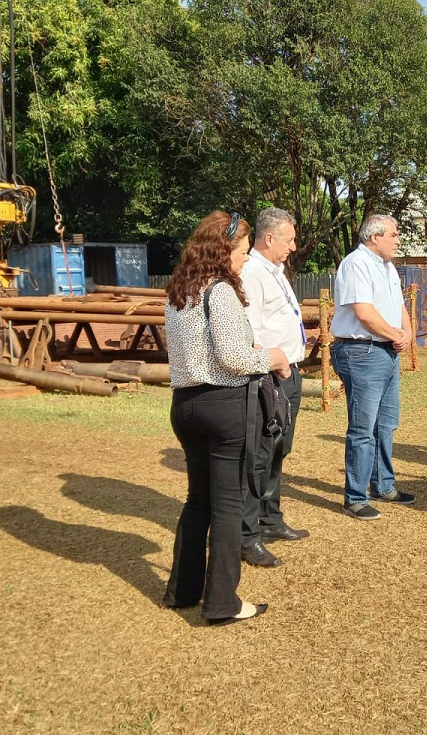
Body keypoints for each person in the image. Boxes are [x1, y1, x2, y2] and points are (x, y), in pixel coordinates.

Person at [163, 210, 290, 624]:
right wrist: (273, 356)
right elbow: (234, 357)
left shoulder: (179, 291)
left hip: (185, 406)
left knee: (197, 500)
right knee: (228, 505)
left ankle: (182, 591)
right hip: (222, 407)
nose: (243, 258)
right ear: (222, 250)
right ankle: (221, 602)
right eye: (240, 250)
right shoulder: (219, 291)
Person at [330, 214, 415, 520]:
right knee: (363, 429)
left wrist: (406, 334)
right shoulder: (356, 264)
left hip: (385, 350)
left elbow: (399, 307)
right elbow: (365, 314)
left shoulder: (386, 266)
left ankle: (383, 485)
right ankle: (355, 497)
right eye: (393, 234)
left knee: (386, 424)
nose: (397, 239)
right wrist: (397, 336)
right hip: (362, 351)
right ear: (374, 236)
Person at [238, 208, 310, 568]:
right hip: (269, 376)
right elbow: (248, 334)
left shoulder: (274, 272)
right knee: (261, 454)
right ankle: (247, 535)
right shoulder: (252, 273)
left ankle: (270, 519)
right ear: (269, 239)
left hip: (287, 372)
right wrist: (272, 366)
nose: (294, 246)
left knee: (279, 449)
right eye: (289, 239)